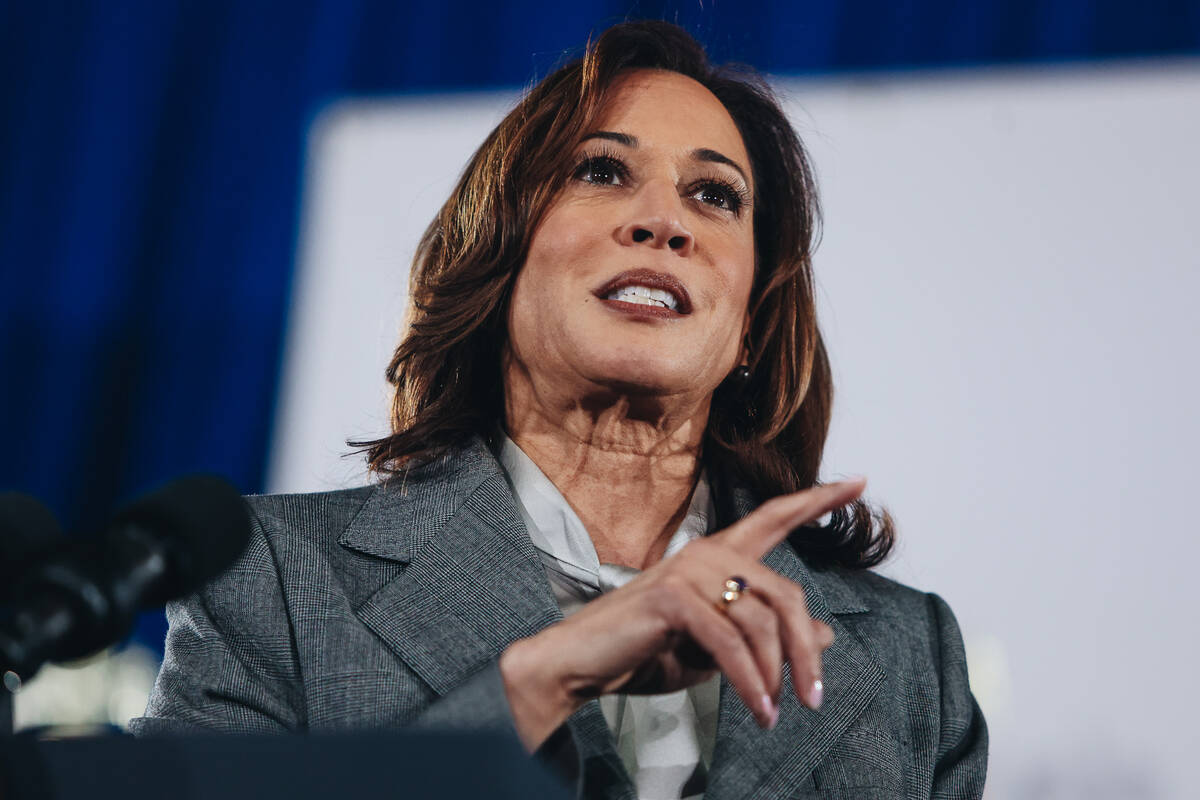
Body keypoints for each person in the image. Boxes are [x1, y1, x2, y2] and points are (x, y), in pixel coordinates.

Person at [132, 20, 988, 800]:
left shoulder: (912, 660)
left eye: (715, 196)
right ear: (496, 265)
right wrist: (538, 683)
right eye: (602, 172)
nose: (664, 221)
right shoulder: (278, 582)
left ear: (752, 326)